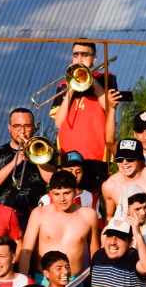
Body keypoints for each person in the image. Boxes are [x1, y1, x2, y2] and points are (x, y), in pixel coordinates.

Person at [49, 40, 120, 193]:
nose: (79, 59)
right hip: (68, 157)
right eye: (76, 55)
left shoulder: (106, 78)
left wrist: (91, 79)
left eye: (84, 55)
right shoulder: (63, 85)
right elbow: (59, 122)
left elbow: (109, 107)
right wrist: (70, 90)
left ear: (94, 59)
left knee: (92, 200)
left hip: (96, 155)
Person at [22, 169, 99, 283]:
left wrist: (95, 281)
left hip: (75, 281)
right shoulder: (39, 213)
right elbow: (26, 251)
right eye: (57, 194)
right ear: (51, 193)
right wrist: (23, 282)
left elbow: (94, 252)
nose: (62, 199)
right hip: (43, 279)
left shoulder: (89, 215)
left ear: (76, 191)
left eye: (66, 193)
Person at [0, 107, 48, 225]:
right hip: (7, 214)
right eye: (17, 126)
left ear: (33, 127)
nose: (22, 131)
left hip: (39, 213)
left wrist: (37, 157)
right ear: (9, 127)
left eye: (27, 126)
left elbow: (51, 179)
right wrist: (13, 162)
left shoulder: (44, 149)